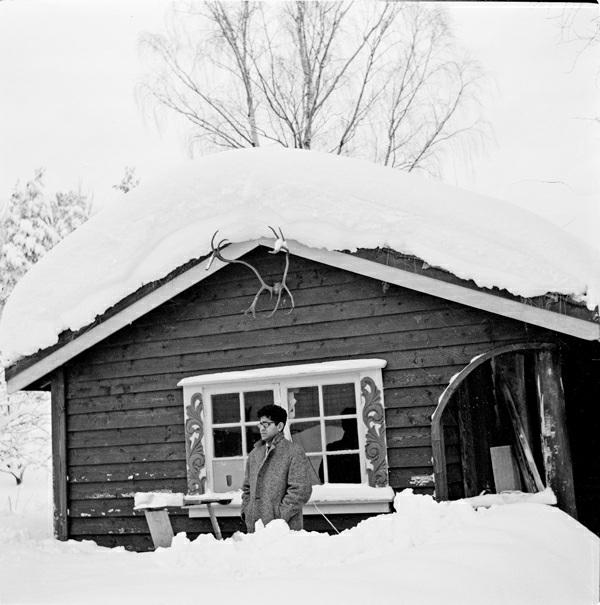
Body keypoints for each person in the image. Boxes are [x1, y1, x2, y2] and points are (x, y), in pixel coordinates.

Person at [241, 404, 312, 533]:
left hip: (284, 531)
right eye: (260, 424)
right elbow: (247, 488)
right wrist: (247, 510)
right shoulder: (254, 454)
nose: (261, 428)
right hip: (255, 530)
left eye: (266, 424)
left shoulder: (294, 452)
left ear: (279, 426)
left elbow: (301, 490)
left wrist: (280, 517)